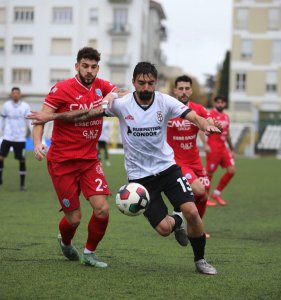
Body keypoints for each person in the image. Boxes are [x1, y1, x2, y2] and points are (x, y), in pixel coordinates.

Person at [27, 62, 221, 275]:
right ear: (133, 82)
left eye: (150, 83)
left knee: (192, 211)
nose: (146, 87)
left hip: (168, 168)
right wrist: (51, 117)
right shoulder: (121, 103)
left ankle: (200, 260)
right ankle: (177, 221)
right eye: (141, 83)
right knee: (165, 229)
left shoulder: (166, 102)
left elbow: (193, 116)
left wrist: (204, 124)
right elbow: (86, 114)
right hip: (141, 179)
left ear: (155, 83)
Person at [31, 47, 126, 268]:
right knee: (74, 219)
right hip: (62, 162)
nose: (89, 71)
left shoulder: (102, 86)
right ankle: (65, 241)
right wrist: (37, 143)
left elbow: (124, 94)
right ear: (77, 66)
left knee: (102, 208)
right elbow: (41, 119)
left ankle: (89, 253)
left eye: (93, 67)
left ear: (97, 68)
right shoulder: (61, 89)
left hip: (89, 160)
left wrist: (114, 94)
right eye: (85, 66)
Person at [167, 75, 221, 243]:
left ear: (191, 90)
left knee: (204, 196)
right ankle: (182, 219)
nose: (184, 92)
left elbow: (208, 118)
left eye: (187, 89)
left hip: (195, 161)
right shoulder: (168, 108)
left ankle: (194, 227)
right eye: (180, 89)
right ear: (175, 90)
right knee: (199, 191)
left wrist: (212, 124)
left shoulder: (197, 108)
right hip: (177, 162)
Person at [204, 95, 236, 206]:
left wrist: (232, 149)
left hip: (223, 148)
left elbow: (227, 134)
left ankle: (216, 193)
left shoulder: (226, 117)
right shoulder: (210, 115)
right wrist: (205, 144)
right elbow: (200, 130)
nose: (220, 104)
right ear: (215, 103)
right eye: (218, 102)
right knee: (209, 173)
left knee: (231, 170)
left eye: (222, 102)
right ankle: (205, 197)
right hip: (213, 147)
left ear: (225, 104)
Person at [0, 87, 31, 191]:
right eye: (13, 93)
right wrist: (2, 131)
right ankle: (0, 178)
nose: (15, 95)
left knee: (21, 160)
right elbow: (2, 119)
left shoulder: (25, 106)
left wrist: (32, 133)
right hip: (7, 136)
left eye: (17, 93)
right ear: (11, 94)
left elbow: (29, 122)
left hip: (20, 138)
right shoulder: (6, 105)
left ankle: (22, 185)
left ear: (20, 94)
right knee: (1, 157)